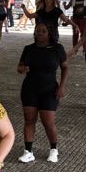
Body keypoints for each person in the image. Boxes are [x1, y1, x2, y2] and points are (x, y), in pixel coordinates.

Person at [16, 22, 69, 164]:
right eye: (37, 31)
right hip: (30, 88)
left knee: (48, 121)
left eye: (43, 31)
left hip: (50, 89)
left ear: (49, 33)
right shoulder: (28, 49)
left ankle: (53, 149)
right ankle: (28, 151)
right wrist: (22, 69)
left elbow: (65, 67)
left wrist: (62, 86)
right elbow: (20, 67)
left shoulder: (57, 48)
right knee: (29, 119)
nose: (39, 33)